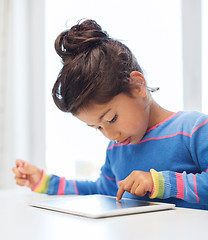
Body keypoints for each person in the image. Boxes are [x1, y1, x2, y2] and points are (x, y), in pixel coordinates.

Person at [12, 19, 208, 210]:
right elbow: (101, 193)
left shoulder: (194, 130)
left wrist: (162, 183)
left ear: (137, 86)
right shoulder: (116, 150)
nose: (111, 135)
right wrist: (45, 182)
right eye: (98, 128)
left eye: (111, 119)